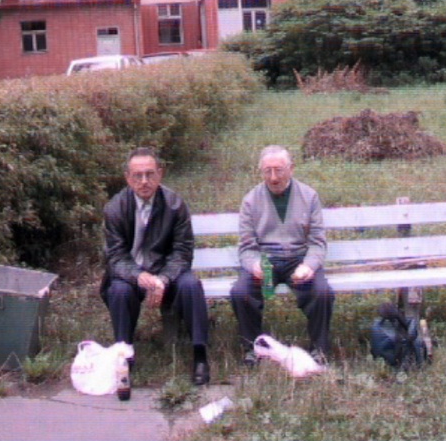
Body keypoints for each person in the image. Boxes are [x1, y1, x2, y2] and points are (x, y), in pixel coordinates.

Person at [100, 147, 210, 385]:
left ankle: (200, 354)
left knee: (191, 285)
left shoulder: (175, 205)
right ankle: (124, 355)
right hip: (132, 275)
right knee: (118, 291)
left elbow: (182, 252)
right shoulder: (115, 208)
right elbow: (115, 257)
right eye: (137, 176)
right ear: (128, 177)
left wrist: (163, 279)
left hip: (165, 272)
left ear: (160, 174)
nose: (144, 181)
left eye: (150, 174)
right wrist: (139, 276)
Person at [230, 145, 334, 367]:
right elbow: (247, 246)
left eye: (279, 170)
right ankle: (253, 349)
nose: (273, 177)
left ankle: (319, 350)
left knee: (322, 292)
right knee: (241, 292)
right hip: (266, 261)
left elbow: (317, 242)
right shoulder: (251, 200)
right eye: (267, 171)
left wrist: (308, 266)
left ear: (291, 169)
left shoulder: (309, 196)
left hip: (298, 259)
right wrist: (255, 265)